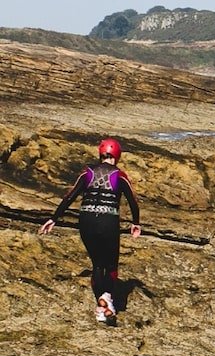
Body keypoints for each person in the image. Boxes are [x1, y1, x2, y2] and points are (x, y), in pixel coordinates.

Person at [38, 138, 142, 323]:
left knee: (97, 264)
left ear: (100, 153)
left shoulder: (87, 173)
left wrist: (53, 218)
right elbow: (133, 202)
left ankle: (103, 305)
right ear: (117, 155)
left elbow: (69, 196)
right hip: (107, 221)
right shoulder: (119, 175)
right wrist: (136, 223)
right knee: (110, 265)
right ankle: (106, 298)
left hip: (86, 221)